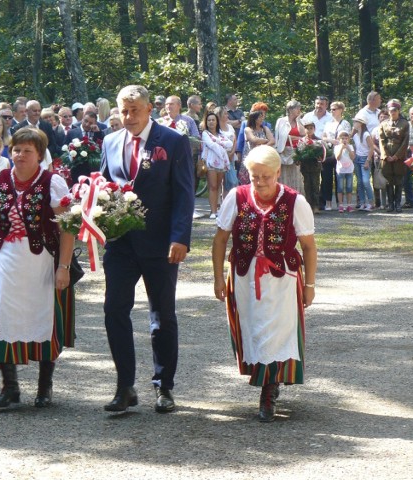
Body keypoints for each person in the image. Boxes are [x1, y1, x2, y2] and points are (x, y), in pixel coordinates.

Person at [101, 85, 194, 413]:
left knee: (162, 316)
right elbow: (103, 186)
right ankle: (125, 385)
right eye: (123, 111)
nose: (128, 118)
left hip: (160, 244)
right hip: (121, 244)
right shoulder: (110, 141)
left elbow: (184, 193)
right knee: (114, 310)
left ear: (149, 109)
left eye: (134, 111)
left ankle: (164, 387)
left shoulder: (172, 141)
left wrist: (180, 237)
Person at [0, 127, 75, 411]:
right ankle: (10, 387)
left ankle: (44, 386)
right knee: (0, 316)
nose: (20, 155)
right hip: (4, 260)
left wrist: (63, 266)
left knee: (44, 318)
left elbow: (67, 229)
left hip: (41, 262)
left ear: (40, 154)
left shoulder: (52, 182)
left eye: (28, 150)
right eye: (16, 149)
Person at [212, 145, 316, 423]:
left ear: (278, 172)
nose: (259, 182)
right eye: (254, 176)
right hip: (245, 278)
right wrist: (218, 277)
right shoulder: (237, 196)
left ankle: (268, 392)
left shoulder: (296, 201)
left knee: (277, 333)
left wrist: (310, 285)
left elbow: (308, 246)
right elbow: (221, 239)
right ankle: (267, 381)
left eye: (265, 176)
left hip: (282, 280)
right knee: (254, 329)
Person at [379, 100, 409, 213]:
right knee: (388, 180)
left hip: (399, 157)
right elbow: (382, 141)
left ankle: (398, 204)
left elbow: (405, 142)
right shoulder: (383, 124)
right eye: (390, 110)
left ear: (399, 110)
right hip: (386, 157)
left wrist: (396, 156)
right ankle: (390, 204)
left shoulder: (405, 124)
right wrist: (386, 155)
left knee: (399, 180)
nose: (392, 112)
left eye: (395, 110)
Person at [201, 111, 232, 219]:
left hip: (221, 164)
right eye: (209, 120)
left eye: (213, 120)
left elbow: (230, 144)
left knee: (218, 187)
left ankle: (216, 210)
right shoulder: (205, 134)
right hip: (210, 162)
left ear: (216, 121)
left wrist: (218, 142)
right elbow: (211, 145)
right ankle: (213, 212)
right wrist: (221, 145)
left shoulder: (221, 134)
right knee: (213, 187)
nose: (211, 122)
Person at [321, 101, 351, 211]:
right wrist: (330, 140)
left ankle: (341, 203)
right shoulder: (328, 123)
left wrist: (339, 142)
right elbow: (323, 137)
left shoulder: (345, 123)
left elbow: (347, 138)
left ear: (341, 110)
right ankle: (328, 203)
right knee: (327, 178)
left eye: (334, 109)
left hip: (340, 154)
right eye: (331, 109)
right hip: (329, 153)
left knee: (339, 178)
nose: (332, 111)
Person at [274, 100, 305, 193]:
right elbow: (281, 137)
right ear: (290, 109)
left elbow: (303, 134)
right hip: (284, 152)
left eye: (300, 108)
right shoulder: (281, 121)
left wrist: (298, 120)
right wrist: (296, 137)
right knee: (284, 176)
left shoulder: (300, 121)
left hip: (297, 152)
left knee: (297, 176)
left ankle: (296, 196)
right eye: (297, 108)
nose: (299, 110)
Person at [299, 119, 324, 214]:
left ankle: (316, 206)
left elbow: (322, 154)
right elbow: (299, 153)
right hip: (305, 166)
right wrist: (298, 159)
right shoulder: (302, 141)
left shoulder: (317, 140)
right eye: (307, 128)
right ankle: (308, 206)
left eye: (311, 128)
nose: (309, 130)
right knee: (307, 186)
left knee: (315, 186)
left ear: (314, 129)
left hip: (315, 166)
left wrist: (319, 156)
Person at [352, 117, 375, 211]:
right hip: (357, 158)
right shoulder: (355, 135)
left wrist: (368, 161)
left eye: (356, 122)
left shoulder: (366, 134)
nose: (354, 123)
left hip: (365, 158)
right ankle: (362, 202)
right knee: (360, 182)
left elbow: (371, 148)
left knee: (366, 181)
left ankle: (371, 202)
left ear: (361, 124)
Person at [335, 130, 356, 212]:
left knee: (349, 188)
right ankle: (341, 205)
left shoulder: (350, 147)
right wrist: (341, 149)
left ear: (348, 139)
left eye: (346, 138)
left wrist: (348, 149)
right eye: (342, 138)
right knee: (340, 188)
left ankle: (349, 205)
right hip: (340, 170)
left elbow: (353, 157)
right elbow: (338, 158)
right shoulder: (337, 147)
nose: (344, 140)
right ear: (339, 139)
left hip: (349, 170)